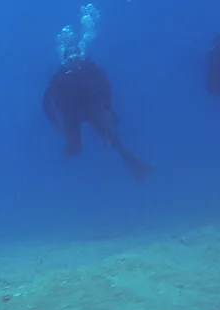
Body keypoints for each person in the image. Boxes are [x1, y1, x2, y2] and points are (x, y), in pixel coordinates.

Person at [43, 4, 151, 180]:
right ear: (64, 59)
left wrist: (108, 110)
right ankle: (73, 181)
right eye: (69, 57)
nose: (74, 59)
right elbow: (46, 103)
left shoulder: (92, 70)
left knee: (110, 137)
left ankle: (130, 160)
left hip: (91, 110)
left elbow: (106, 87)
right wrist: (55, 123)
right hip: (71, 115)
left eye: (76, 55)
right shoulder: (58, 78)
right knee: (73, 149)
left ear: (81, 54)